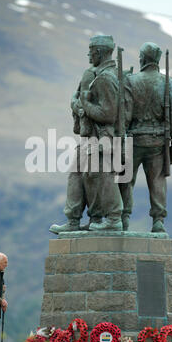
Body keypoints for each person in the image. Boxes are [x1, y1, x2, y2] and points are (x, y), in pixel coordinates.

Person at [50, 35, 123, 233]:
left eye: (91, 51)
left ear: (99, 52)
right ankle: (73, 220)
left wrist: (86, 105)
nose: (88, 55)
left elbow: (108, 114)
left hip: (102, 136)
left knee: (99, 176)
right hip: (88, 135)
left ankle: (111, 217)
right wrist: (81, 105)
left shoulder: (107, 78)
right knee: (76, 174)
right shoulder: (92, 74)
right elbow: (76, 97)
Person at [123, 42, 172, 232]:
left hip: (134, 140)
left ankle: (123, 218)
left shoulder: (130, 81)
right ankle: (158, 221)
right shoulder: (169, 83)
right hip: (158, 141)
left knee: (125, 180)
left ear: (143, 58)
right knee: (157, 180)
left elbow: (124, 114)